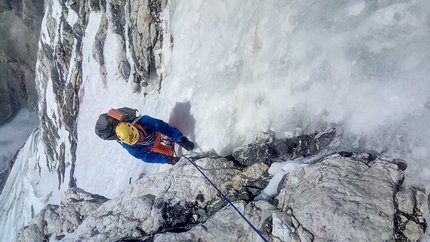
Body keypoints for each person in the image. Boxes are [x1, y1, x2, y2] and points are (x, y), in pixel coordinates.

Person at [114, 115, 194, 165]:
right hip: (151, 146)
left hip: (155, 135)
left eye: (138, 136)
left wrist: (181, 140)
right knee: (169, 154)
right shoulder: (130, 148)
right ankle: (169, 153)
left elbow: (165, 128)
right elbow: (148, 157)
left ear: (135, 128)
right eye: (136, 141)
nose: (140, 140)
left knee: (163, 136)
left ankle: (165, 141)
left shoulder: (145, 121)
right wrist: (168, 159)